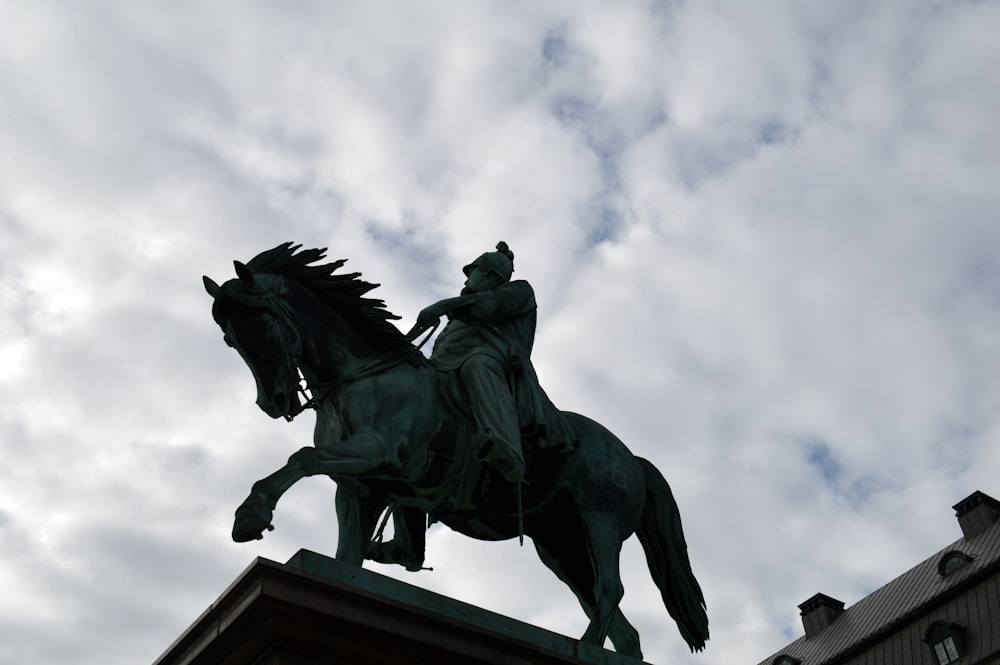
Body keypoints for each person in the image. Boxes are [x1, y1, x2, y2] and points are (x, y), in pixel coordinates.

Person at [409, 241, 574, 483]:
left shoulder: (520, 291)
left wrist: (443, 305)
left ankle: (507, 450)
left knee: (478, 364)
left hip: (497, 365)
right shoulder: (458, 317)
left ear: (486, 272)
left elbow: (488, 307)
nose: (465, 282)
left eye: (470, 273)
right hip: (448, 367)